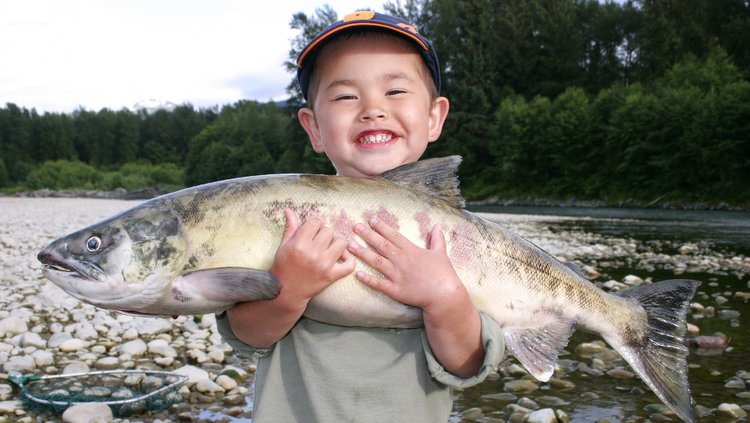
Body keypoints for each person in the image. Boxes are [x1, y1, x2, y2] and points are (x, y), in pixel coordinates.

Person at [216, 11, 505, 422]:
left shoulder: (460, 243)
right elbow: (248, 336)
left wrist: (444, 296)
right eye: (346, 96)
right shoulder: (284, 223)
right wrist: (288, 289)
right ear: (313, 127)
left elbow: (466, 364)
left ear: (434, 117)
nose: (372, 108)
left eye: (396, 91)